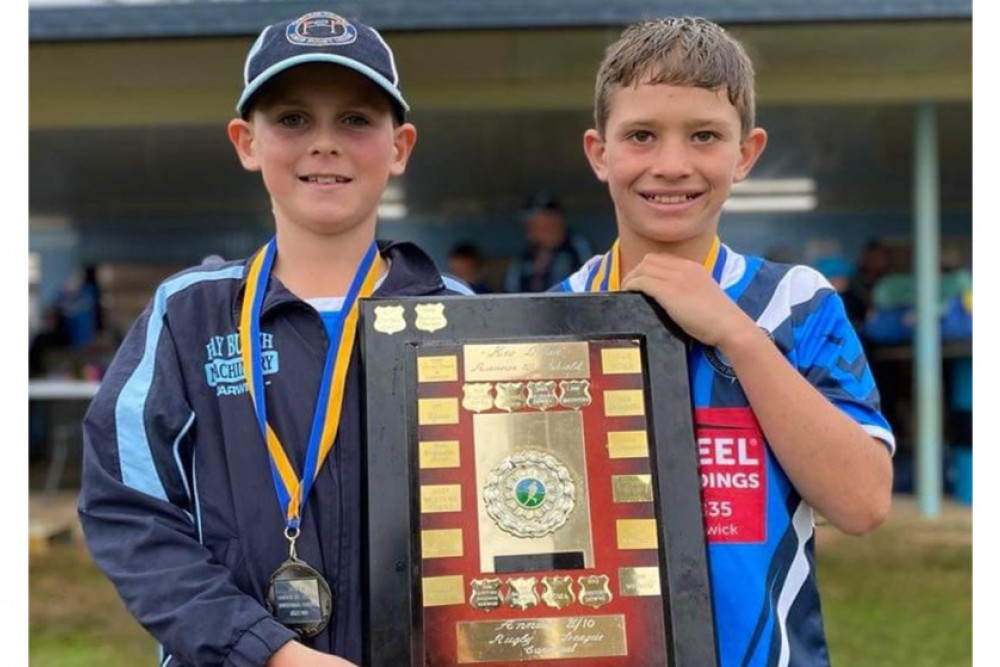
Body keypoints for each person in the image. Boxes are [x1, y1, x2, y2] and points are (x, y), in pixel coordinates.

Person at [77, 11, 472, 667]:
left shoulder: (459, 317)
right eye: (292, 119)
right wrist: (265, 649)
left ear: (399, 146)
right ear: (246, 142)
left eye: (355, 120)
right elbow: (127, 509)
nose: (325, 143)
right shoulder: (189, 313)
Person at [551, 17, 894, 666]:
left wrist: (737, 332)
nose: (672, 164)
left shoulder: (798, 302)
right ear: (600, 153)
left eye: (704, 136)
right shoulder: (556, 313)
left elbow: (863, 502)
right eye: (642, 135)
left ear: (746, 153)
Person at [503, 190, 592, 292]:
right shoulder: (522, 260)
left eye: (548, 222)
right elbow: (510, 294)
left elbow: (589, 282)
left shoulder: (577, 247)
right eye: (534, 223)